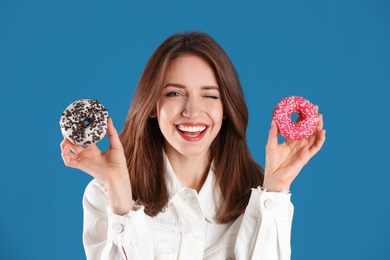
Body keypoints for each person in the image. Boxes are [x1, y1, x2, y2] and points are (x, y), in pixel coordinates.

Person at [60, 31, 326, 260]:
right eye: (174, 93)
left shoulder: (259, 195)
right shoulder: (103, 194)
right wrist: (119, 190)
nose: (192, 111)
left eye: (210, 95)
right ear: (152, 106)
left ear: (226, 109)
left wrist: (276, 188)